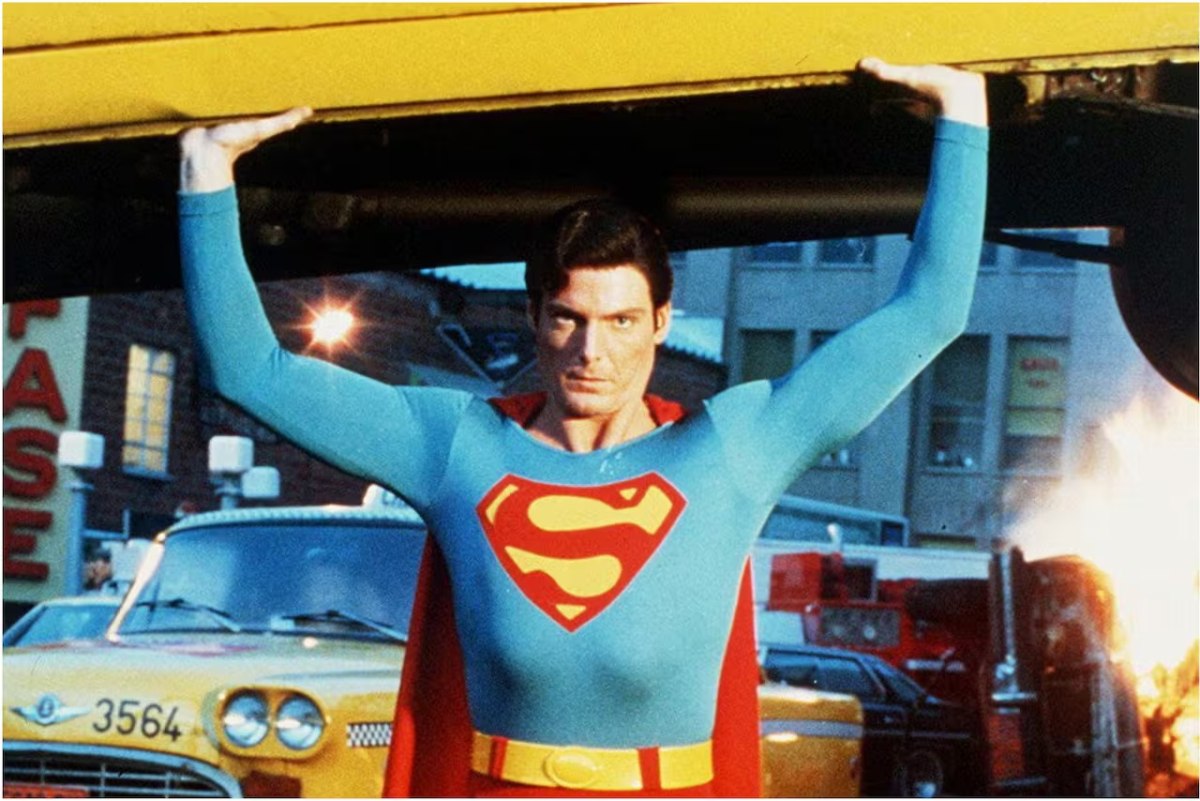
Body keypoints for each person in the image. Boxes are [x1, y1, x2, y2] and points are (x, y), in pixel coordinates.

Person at [177, 57, 988, 797]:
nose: (592, 351)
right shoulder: (455, 447)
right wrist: (205, 171)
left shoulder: (732, 450)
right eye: (569, 317)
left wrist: (963, 115)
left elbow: (929, 313)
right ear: (535, 315)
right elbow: (250, 369)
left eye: (623, 320)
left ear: (662, 321)